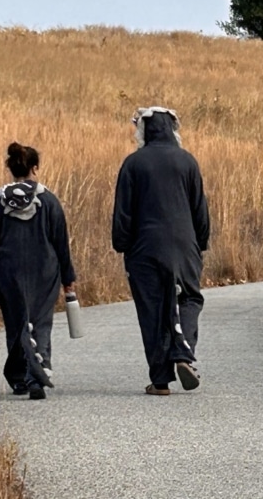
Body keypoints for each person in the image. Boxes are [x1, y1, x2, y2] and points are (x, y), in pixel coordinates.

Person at [111, 107, 210, 395]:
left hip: (145, 248)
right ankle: (184, 351)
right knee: (189, 298)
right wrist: (200, 242)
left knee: (152, 308)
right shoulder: (187, 162)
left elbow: (123, 212)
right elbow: (199, 209)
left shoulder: (133, 164)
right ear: (172, 129)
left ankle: (160, 380)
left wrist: (122, 244)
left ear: (144, 130)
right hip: (184, 244)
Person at [0, 142, 76, 400]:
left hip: (7, 271)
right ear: (35, 168)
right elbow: (60, 242)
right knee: (40, 321)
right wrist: (68, 279)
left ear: (10, 168)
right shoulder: (48, 200)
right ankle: (38, 373)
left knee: (16, 322)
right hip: (44, 271)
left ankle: (19, 377)